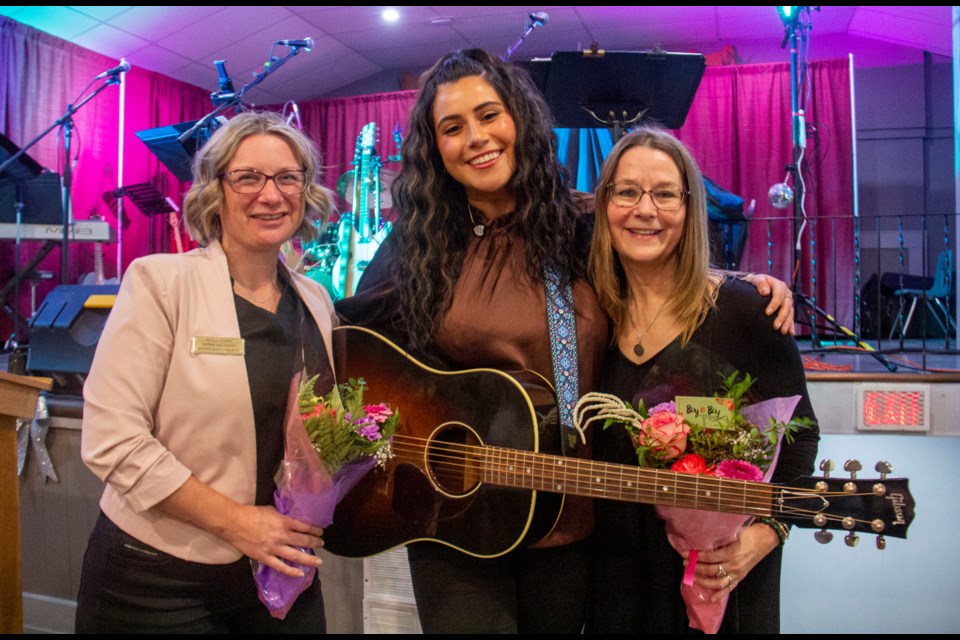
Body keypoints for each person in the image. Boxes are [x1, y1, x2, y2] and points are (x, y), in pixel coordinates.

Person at [336, 48, 795, 634]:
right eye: (452, 127)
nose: (475, 137)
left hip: (566, 514)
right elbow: (355, 357)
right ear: (436, 149)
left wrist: (742, 285)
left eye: (488, 115)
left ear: (521, 121)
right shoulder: (417, 246)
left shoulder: (578, 226)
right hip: (455, 520)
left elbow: (654, 258)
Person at [75, 111, 337, 633]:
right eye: (248, 178)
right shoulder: (160, 283)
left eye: (288, 177)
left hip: (281, 575)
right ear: (215, 191)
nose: (272, 194)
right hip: (160, 580)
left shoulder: (316, 300)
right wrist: (241, 524)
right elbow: (112, 441)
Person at [586, 128, 820, 634]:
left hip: (721, 584)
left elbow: (800, 442)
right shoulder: (589, 322)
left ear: (690, 207)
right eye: (627, 192)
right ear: (604, 205)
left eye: (665, 193)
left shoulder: (746, 312)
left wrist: (760, 539)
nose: (644, 210)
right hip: (614, 588)